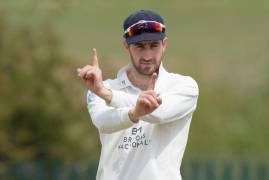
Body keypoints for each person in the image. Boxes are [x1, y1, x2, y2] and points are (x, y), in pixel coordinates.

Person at [77, 9, 199, 180]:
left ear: (164, 44)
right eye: (140, 46)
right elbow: (103, 122)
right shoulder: (102, 88)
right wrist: (134, 112)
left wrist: (109, 96)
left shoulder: (183, 86)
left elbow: (159, 113)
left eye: (154, 46)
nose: (147, 56)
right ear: (126, 45)